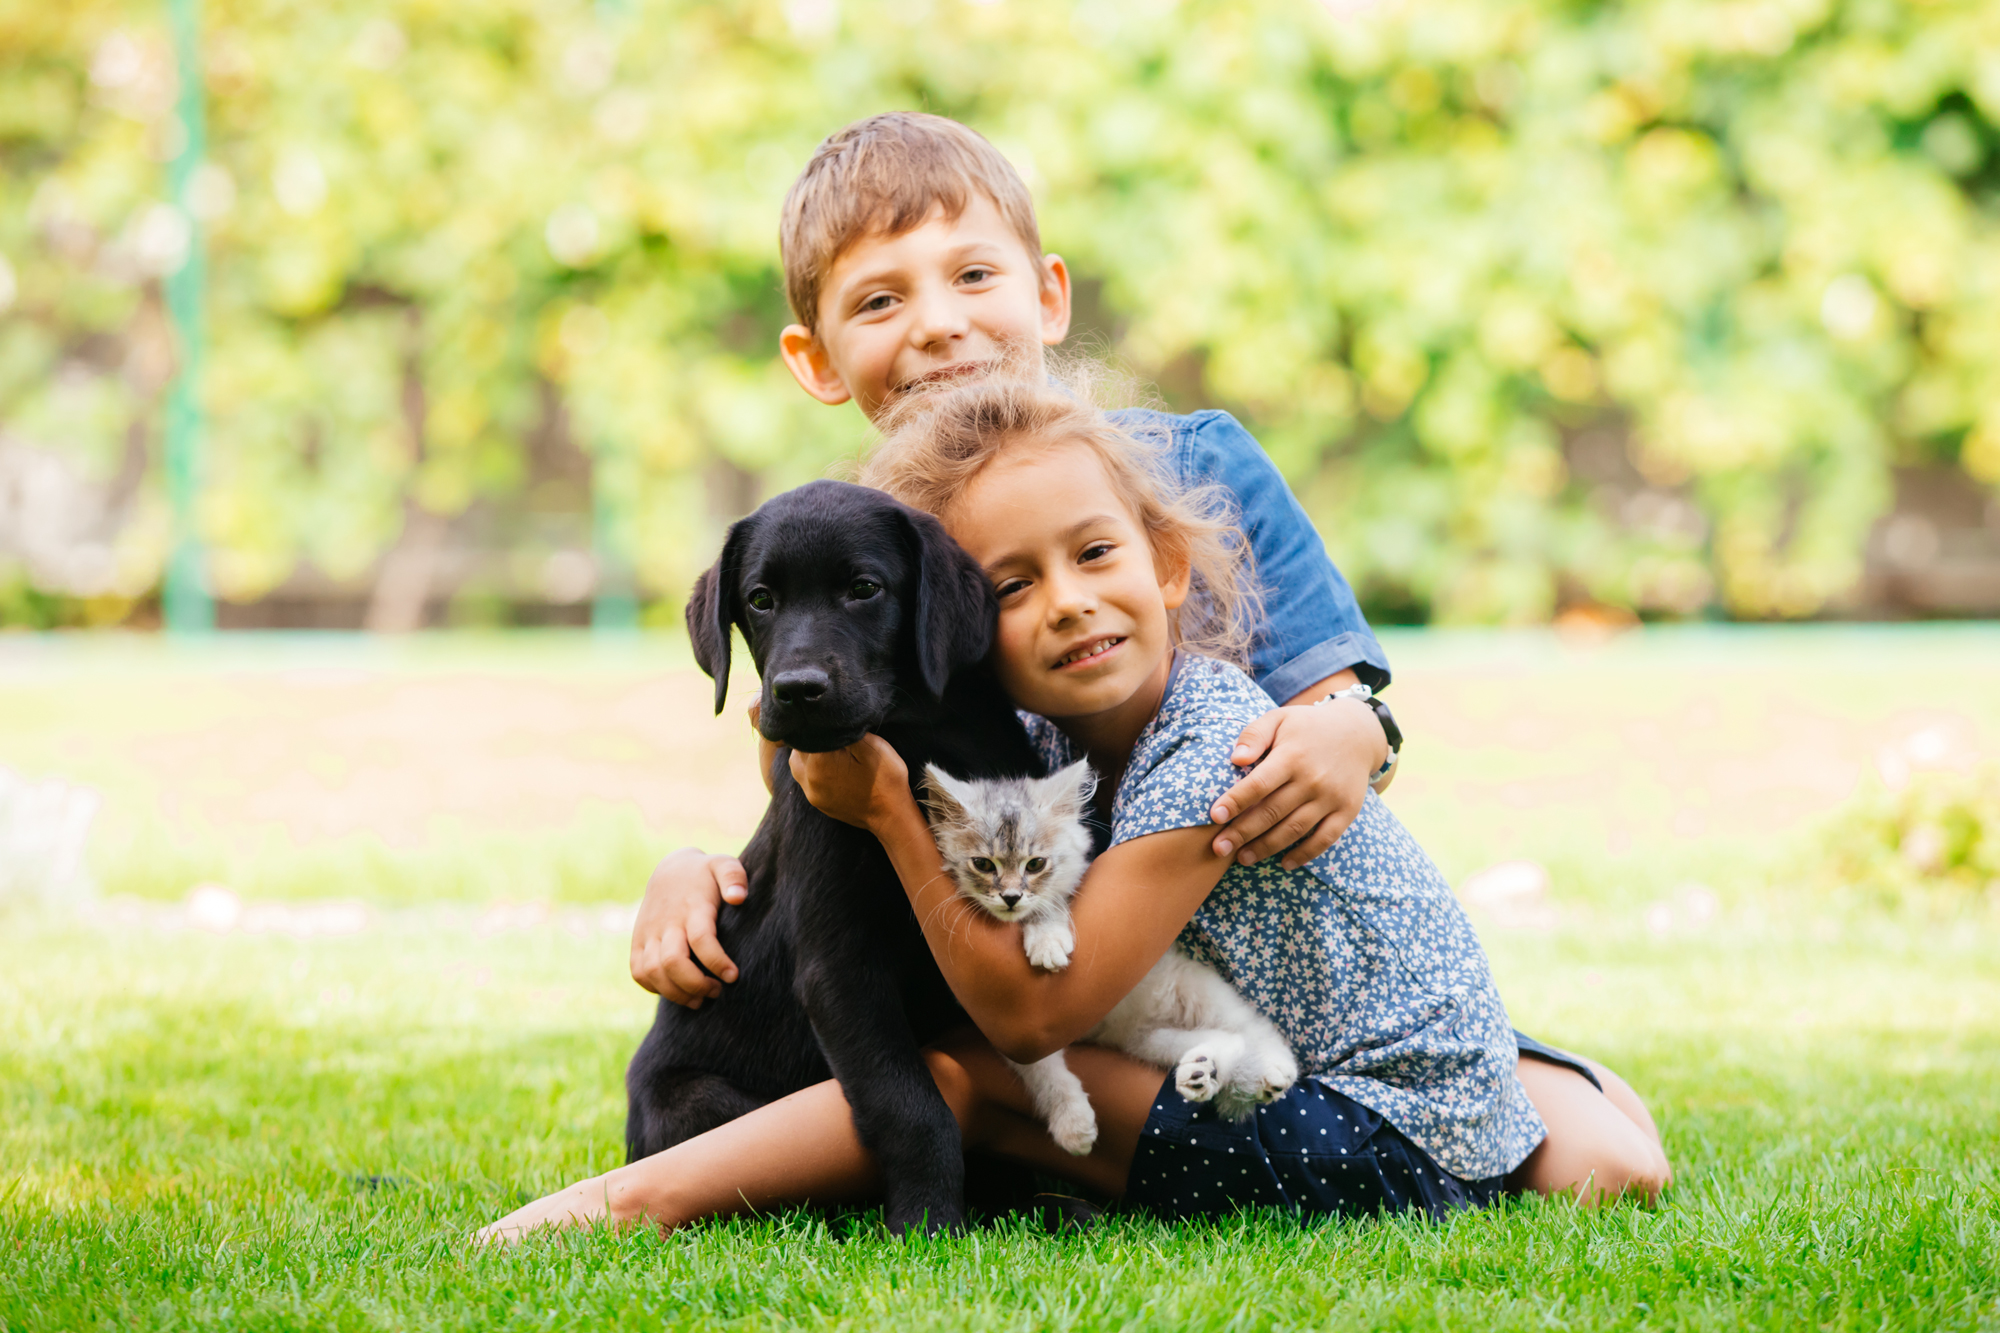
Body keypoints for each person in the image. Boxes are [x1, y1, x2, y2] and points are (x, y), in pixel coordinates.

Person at [624, 111, 1668, 1203]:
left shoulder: (1188, 464)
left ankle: (1514, 1071)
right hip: (1063, 970)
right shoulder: (869, 544)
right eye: (880, 300)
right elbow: (819, 788)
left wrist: (1350, 727)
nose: (937, 326)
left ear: (1047, 295)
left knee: (1613, 1163)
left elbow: (1340, 702)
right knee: (987, 1067)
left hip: (1256, 960)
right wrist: (696, 872)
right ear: (815, 359)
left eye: (973, 274)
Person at [479, 377, 1668, 1243]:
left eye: (1095, 554)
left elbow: (1035, 1010)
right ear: (960, 623)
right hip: (1282, 1062)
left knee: (967, 1072)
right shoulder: (1045, 745)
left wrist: (894, 810)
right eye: (1012, 584)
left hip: (1363, 1123)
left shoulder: (1213, 741)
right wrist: (696, 859)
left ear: (1165, 567)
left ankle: (621, 1202)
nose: (1065, 604)